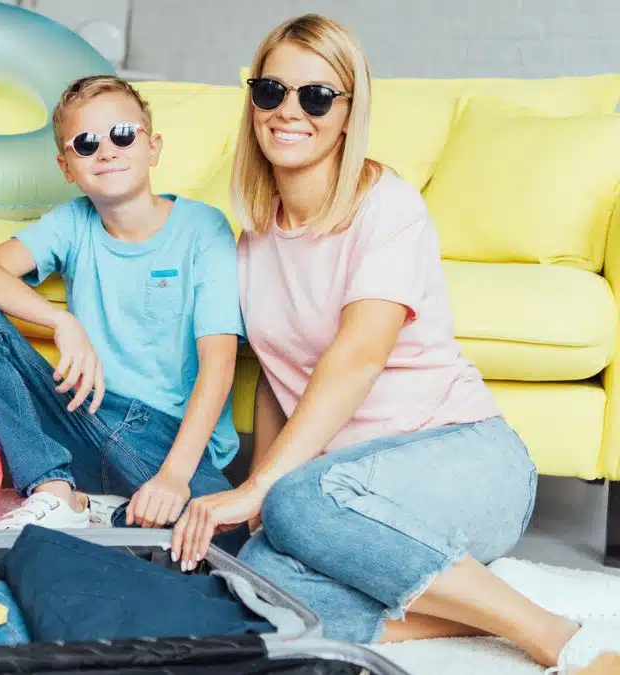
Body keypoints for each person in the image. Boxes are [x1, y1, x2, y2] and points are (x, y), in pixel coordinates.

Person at [169, 14, 619, 672]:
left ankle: (552, 633)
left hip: (467, 463)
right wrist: (264, 505)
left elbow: (357, 357)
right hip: (347, 494)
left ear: (349, 113)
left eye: (316, 96)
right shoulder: (254, 239)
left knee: (294, 500)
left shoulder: (388, 207)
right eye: (271, 91)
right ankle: (473, 603)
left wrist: (263, 485)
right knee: (253, 573)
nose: (288, 111)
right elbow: (275, 373)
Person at [0, 75, 248, 551]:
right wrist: (64, 323)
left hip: (162, 442)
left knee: (227, 541)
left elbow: (219, 363)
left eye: (123, 134)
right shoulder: (72, 223)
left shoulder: (203, 228)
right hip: (83, 415)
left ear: (152, 147)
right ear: (66, 167)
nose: (107, 151)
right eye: (85, 144)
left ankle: (103, 510)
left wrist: (174, 478)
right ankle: (54, 488)